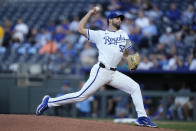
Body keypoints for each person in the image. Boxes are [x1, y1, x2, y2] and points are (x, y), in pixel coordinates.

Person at [36, 7, 157, 128]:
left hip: (114, 73)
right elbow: (80, 29)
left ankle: (142, 118)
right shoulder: (100, 34)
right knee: (81, 96)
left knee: (135, 87)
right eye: (117, 18)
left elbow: (125, 54)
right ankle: (49, 102)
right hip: (101, 70)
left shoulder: (123, 34)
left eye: (121, 18)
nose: (120, 20)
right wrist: (90, 13)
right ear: (110, 20)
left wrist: (131, 61)